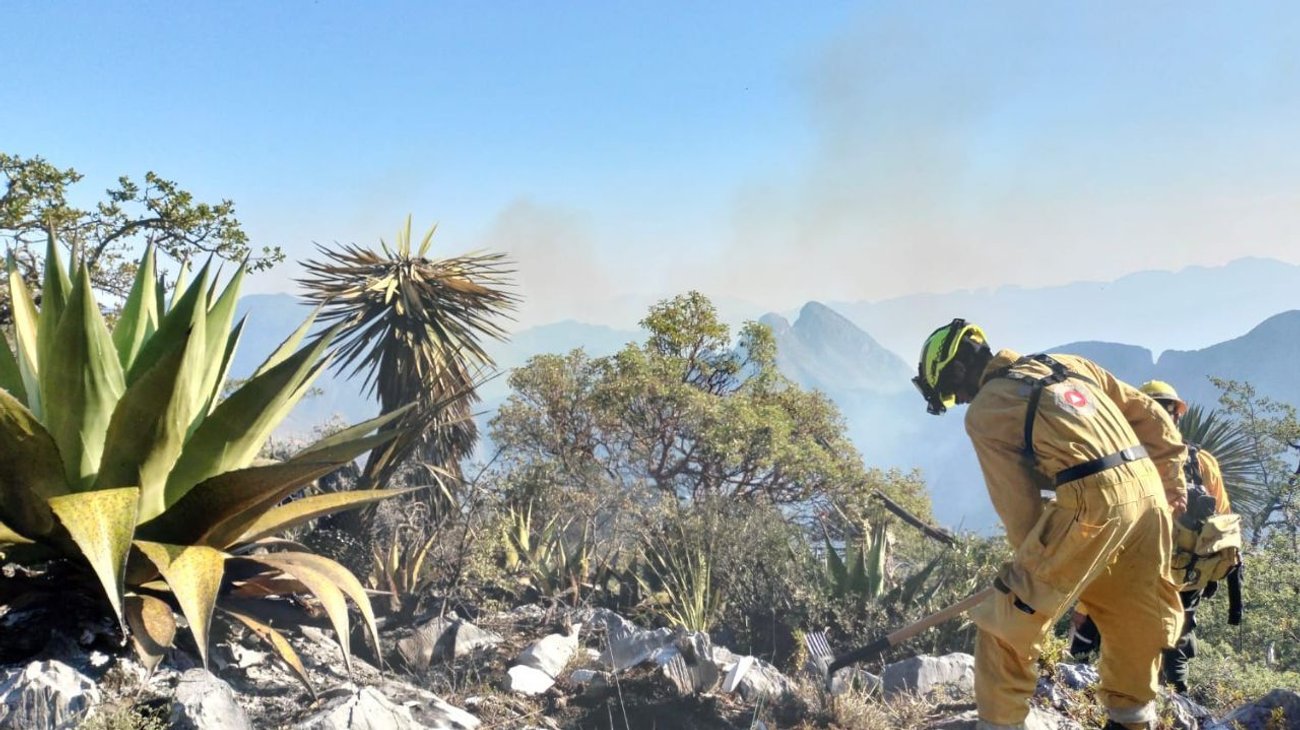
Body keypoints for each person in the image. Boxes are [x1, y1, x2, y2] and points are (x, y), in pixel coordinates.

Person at [913, 319, 1187, 730]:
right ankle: (1132, 720)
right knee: (1132, 615)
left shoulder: (988, 410)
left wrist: (1036, 575)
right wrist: (1170, 483)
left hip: (1091, 500)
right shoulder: (1069, 364)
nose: (962, 401)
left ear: (959, 368)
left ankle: (1000, 724)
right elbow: (1150, 413)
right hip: (1148, 496)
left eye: (953, 392)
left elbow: (1018, 508)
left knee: (1006, 625)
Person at [1070, 380, 1236, 694]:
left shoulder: (1120, 460)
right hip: (1184, 574)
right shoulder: (1201, 462)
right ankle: (1175, 703)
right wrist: (1214, 571)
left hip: (1131, 567)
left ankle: (1078, 694)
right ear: (1177, 415)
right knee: (1175, 644)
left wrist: (1082, 600)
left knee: (1092, 636)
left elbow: (1101, 521)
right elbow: (1225, 523)